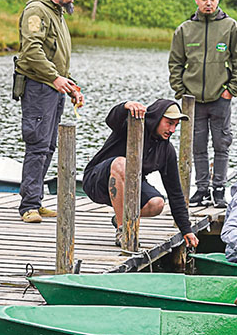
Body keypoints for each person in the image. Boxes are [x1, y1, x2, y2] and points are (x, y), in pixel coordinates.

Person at [168, 0, 237, 207]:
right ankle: (202, 189)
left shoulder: (230, 27)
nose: (208, 3)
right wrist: (181, 91)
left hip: (220, 98)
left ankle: (219, 190)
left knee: (221, 145)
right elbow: (175, 63)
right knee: (197, 146)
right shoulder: (185, 29)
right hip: (192, 100)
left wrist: (231, 91)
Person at [14, 0, 85, 223]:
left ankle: (35, 200)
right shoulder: (37, 11)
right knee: (37, 145)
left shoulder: (57, 13)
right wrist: (55, 78)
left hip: (53, 87)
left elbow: (56, 57)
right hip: (38, 88)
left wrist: (70, 85)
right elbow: (31, 50)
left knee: (49, 146)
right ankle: (28, 207)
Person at [83, 99, 199, 249]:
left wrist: (186, 230)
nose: (172, 130)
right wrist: (125, 106)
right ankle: (123, 230)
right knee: (122, 163)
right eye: (169, 123)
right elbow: (111, 120)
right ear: (157, 118)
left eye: (176, 125)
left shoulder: (167, 150)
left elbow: (175, 193)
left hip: (130, 185)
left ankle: (121, 218)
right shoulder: (132, 126)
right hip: (96, 181)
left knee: (157, 203)